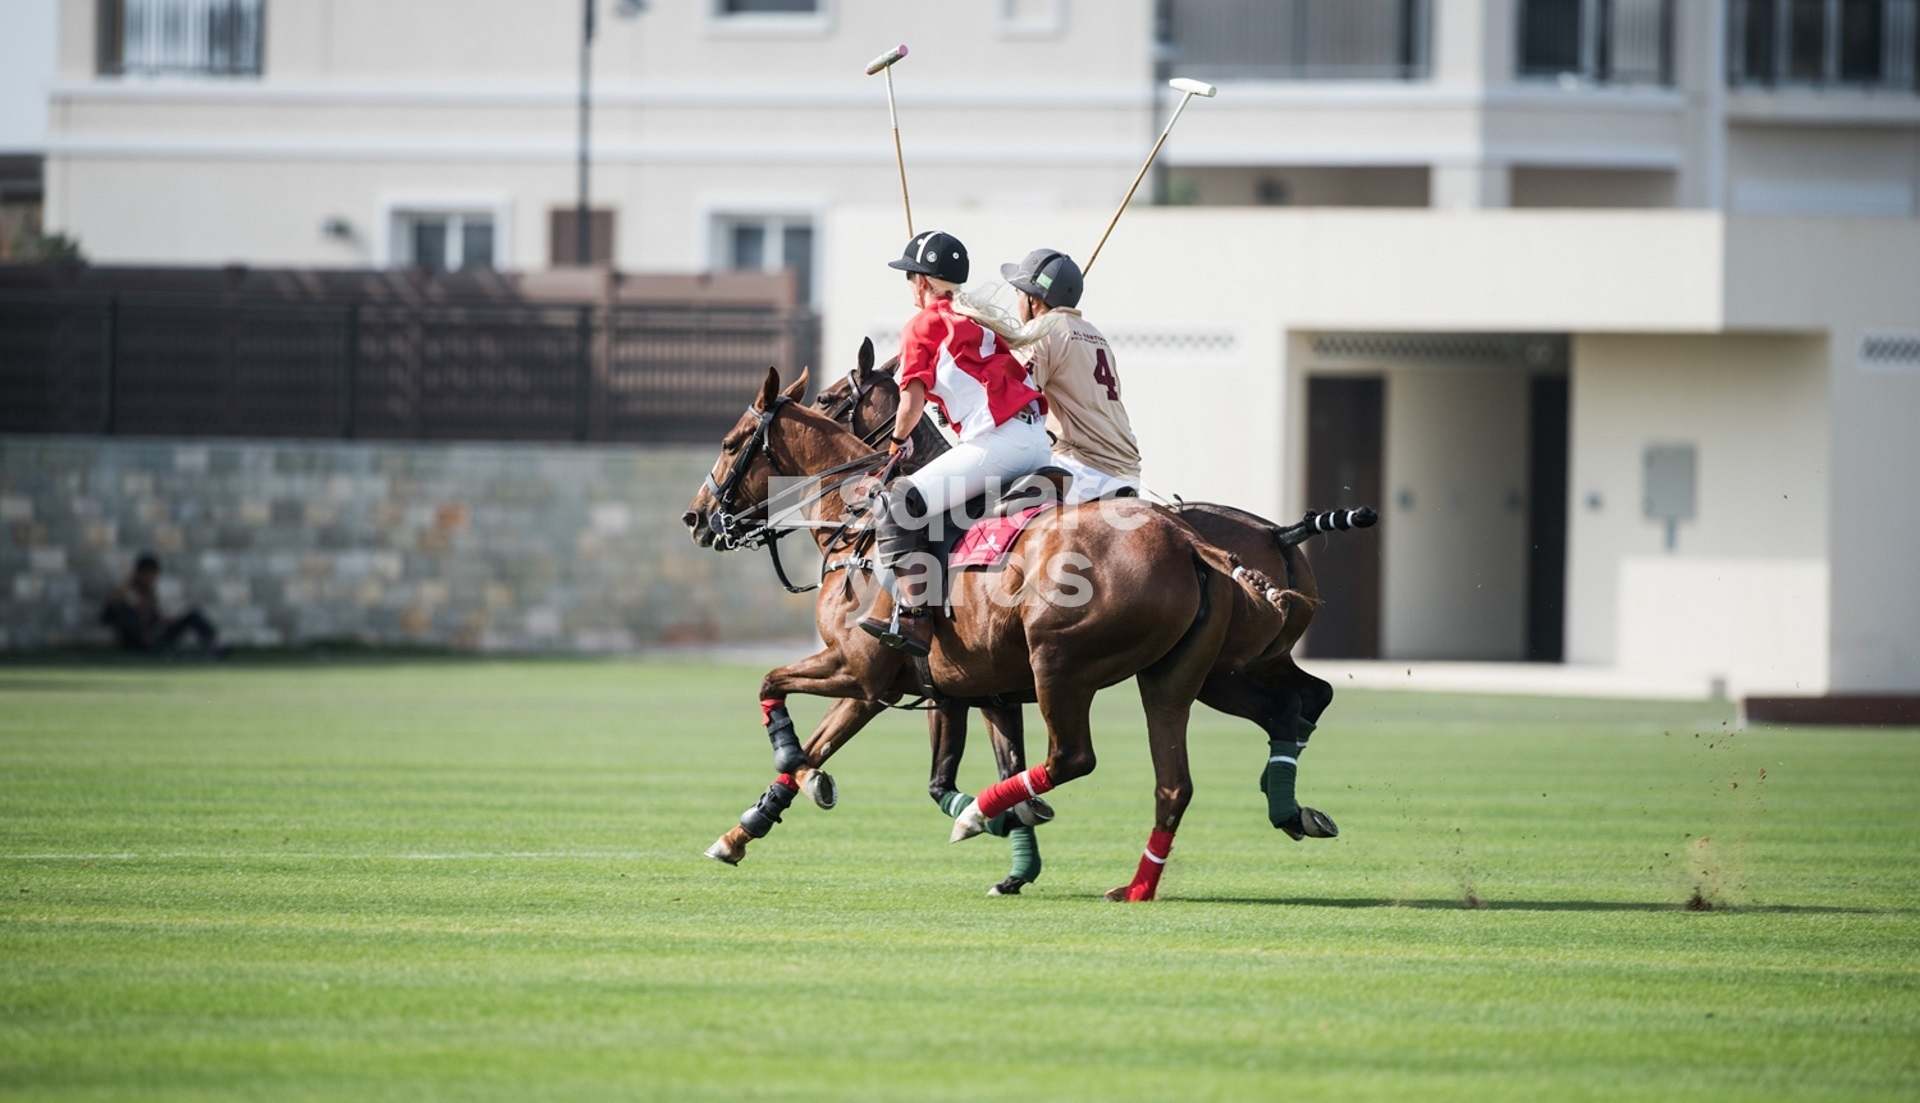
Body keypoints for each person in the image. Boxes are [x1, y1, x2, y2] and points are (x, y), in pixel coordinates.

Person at [859, 230, 1052, 658]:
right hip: (1036, 440)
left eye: (910, 277)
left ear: (923, 282)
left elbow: (909, 402)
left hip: (1001, 442)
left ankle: (914, 616)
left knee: (898, 500)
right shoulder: (977, 318)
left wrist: (896, 444)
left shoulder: (923, 324)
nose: (909, 286)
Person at [999, 248, 1142, 503]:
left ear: (1034, 300)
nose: (1017, 300)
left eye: (1019, 292)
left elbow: (1008, 398)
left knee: (984, 503)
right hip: (1128, 473)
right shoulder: (1096, 335)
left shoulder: (1040, 330)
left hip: (1082, 470)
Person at [100, 553, 223, 656]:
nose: (151, 578)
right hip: (134, 641)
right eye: (148, 574)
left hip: (153, 636)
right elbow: (109, 617)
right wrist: (134, 613)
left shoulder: (149, 591)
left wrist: (163, 620)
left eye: (154, 574)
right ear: (139, 573)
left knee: (192, 615)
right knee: (126, 613)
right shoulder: (123, 591)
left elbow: (151, 618)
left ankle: (211, 644)